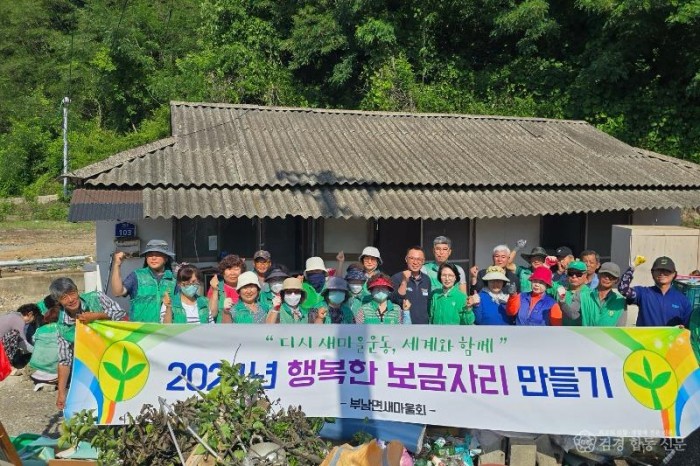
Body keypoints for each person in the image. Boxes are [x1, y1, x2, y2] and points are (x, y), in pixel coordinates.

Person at [51, 277, 125, 409]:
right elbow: (64, 361)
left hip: (118, 357)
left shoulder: (97, 297)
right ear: (58, 302)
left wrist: (98, 316)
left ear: (77, 291)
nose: (71, 300)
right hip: (92, 369)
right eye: (64, 297)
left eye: (72, 293)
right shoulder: (62, 326)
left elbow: (121, 315)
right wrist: (61, 393)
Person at [111, 239, 176, 322]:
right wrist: (117, 265)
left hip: (165, 332)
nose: (153, 258)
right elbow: (118, 292)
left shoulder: (173, 280)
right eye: (150, 254)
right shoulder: (137, 276)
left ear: (166, 258)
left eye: (158, 254)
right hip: (140, 331)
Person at [619, 256, 692, 327]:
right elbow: (623, 289)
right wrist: (632, 267)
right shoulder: (643, 293)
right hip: (645, 339)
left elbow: (688, 327)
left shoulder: (683, 300)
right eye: (658, 270)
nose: (662, 273)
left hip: (672, 339)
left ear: (674, 274)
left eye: (667, 270)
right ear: (652, 273)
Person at [561, 262, 627, 326]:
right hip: (587, 336)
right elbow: (573, 316)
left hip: (609, 337)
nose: (607, 278)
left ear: (617, 280)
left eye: (612, 277)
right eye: (604, 275)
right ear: (598, 275)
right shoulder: (582, 295)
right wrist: (563, 303)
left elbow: (621, 328)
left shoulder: (621, 301)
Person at [391, 246, 431, 324]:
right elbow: (393, 300)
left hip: (423, 327)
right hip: (403, 326)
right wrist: (404, 281)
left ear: (423, 261)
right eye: (412, 258)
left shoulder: (427, 279)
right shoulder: (396, 278)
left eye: (419, 259)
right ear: (406, 259)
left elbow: (428, 304)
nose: (415, 262)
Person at [0, 303, 41, 376]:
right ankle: (8, 368)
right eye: (34, 319)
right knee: (14, 335)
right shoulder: (19, 320)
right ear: (30, 314)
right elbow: (23, 345)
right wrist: (39, 352)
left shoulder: (12, 315)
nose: (32, 322)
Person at [29, 296, 60, 386]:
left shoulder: (39, 330)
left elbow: (34, 342)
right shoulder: (62, 330)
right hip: (53, 371)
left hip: (35, 368)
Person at [208, 254, 246, 323]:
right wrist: (215, 289)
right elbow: (212, 313)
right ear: (223, 272)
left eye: (236, 269)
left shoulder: (247, 287)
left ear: (242, 271)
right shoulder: (216, 286)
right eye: (229, 269)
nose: (232, 273)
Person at [550, 260, 588, 326]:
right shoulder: (560, 289)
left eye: (578, 273)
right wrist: (546, 266)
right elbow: (542, 281)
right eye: (571, 273)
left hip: (580, 334)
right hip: (560, 333)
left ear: (585, 275)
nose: (574, 276)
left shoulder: (590, 294)